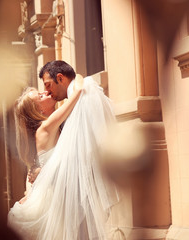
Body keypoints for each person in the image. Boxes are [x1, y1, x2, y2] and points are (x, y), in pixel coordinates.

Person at [8, 60, 118, 240]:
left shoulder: (56, 125)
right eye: (41, 96)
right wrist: (80, 80)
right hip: (55, 198)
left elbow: (42, 162)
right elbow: (75, 97)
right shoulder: (46, 127)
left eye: (46, 88)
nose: (46, 92)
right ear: (38, 110)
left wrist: (35, 180)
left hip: (62, 194)